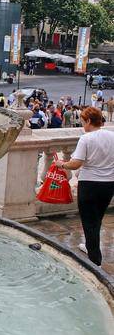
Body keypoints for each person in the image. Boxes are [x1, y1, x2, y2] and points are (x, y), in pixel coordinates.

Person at [54, 107, 114, 266]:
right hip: (109, 184)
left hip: (90, 184)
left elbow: (76, 163)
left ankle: (95, 261)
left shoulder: (86, 139)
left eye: (83, 122)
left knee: (89, 221)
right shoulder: (112, 136)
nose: (82, 125)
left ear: (88, 121)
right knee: (97, 218)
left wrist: (62, 164)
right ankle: (90, 246)